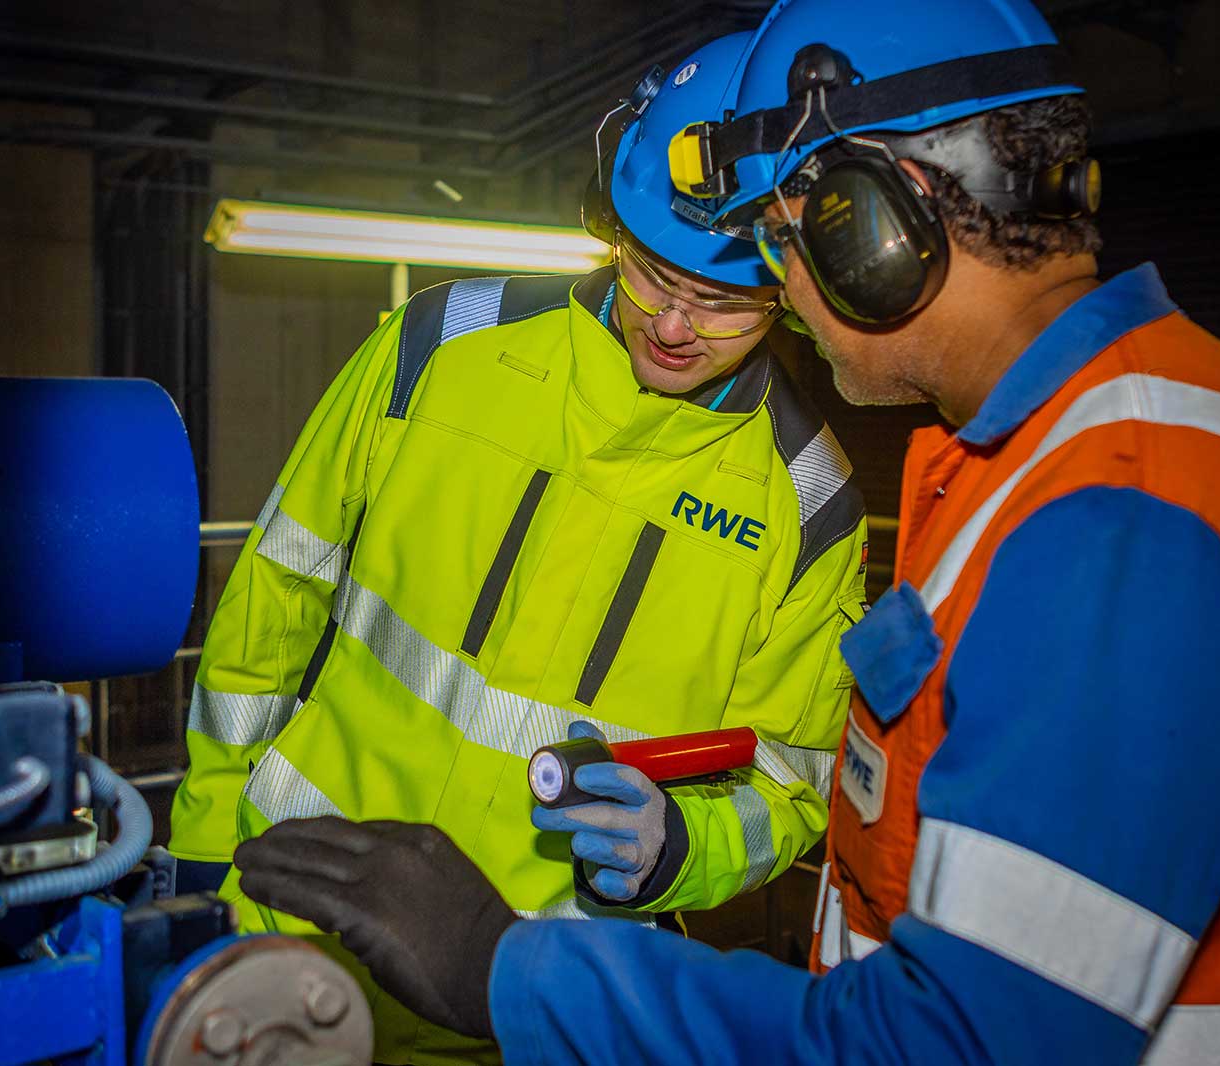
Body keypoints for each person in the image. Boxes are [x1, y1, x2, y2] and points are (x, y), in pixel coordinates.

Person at [231, 1, 1220, 1064]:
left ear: (877, 229)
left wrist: (504, 965)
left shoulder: (1122, 517)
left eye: (783, 246)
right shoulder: (1033, 460)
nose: (783, 290)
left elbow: (959, 1043)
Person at [170, 29, 869, 1066]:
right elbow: (275, 597)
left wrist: (679, 849)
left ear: (792, 282)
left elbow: (791, 779)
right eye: (647, 273)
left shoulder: (810, 506)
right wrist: (200, 842)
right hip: (288, 934)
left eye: (726, 300)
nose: (675, 323)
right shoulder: (440, 345)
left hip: (530, 1005)